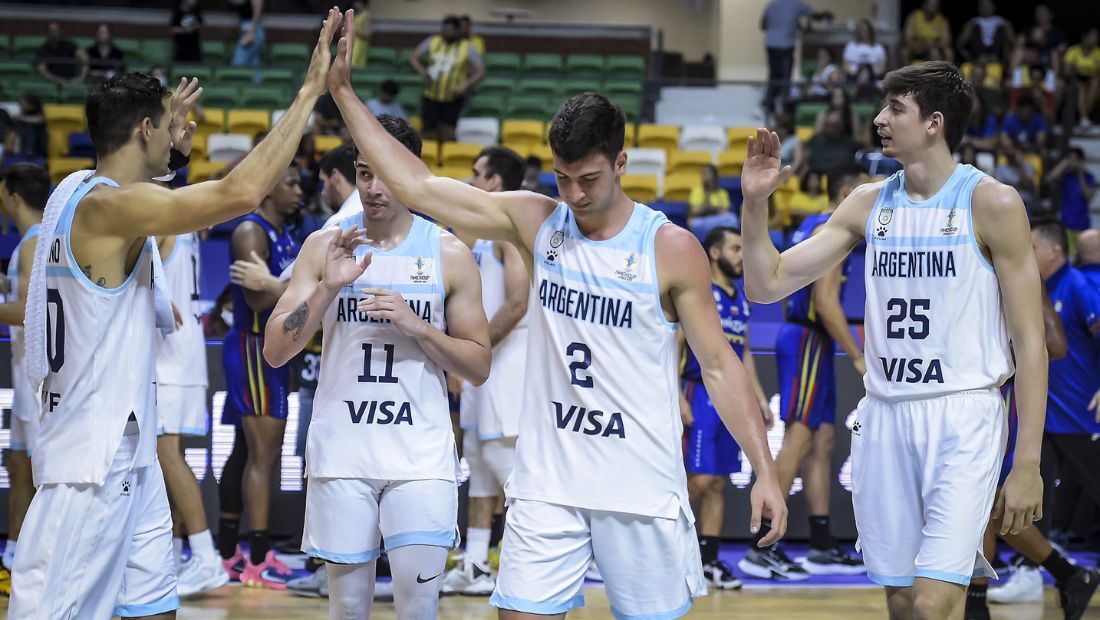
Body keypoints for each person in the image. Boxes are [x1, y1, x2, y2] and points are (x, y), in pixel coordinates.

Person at [327, 13, 788, 618]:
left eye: (589, 180)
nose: (573, 195)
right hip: (548, 484)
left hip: (639, 486)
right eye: (562, 178)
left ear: (621, 164)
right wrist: (341, 91)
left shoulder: (668, 247)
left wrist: (765, 470)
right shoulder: (536, 219)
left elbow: (721, 368)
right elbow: (418, 185)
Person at [8, 9, 343, 617]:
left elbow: (156, 198)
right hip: (89, 462)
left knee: (154, 606)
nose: (177, 133)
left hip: (124, 447)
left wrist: (173, 159)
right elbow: (240, 193)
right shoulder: (107, 211)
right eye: (168, 126)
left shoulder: (76, 195)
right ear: (143, 129)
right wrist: (309, 92)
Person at [740, 61, 1046, 620]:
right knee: (904, 604)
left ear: (933, 123)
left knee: (934, 603)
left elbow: (1029, 341)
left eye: (894, 109)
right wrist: (755, 204)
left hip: (964, 415)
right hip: (884, 415)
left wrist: (1027, 461)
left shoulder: (992, 203)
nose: (879, 119)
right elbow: (767, 284)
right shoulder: (867, 203)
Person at [262, 113, 492, 618]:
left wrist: (420, 326)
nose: (372, 186)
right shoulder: (325, 245)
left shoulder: (448, 253)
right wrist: (327, 288)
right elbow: (276, 350)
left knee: (419, 607)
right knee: (347, 610)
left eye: (384, 172)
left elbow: (478, 366)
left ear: (410, 171)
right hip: (343, 452)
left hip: (420, 455)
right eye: (364, 173)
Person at [743, 173, 866, 581]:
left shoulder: (816, 225)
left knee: (823, 440)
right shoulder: (833, 228)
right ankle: (759, 546)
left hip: (806, 337)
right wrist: (858, 356)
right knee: (798, 438)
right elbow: (827, 303)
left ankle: (821, 543)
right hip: (806, 339)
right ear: (847, 194)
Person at [963, 260, 1098, 620]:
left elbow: (1053, 343)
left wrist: (1003, 350)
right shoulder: (965, 259)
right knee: (984, 504)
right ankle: (1069, 575)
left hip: (995, 397)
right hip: (962, 396)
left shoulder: (1015, 266)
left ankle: (977, 605)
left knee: (982, 500)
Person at [443, 145, 529, 596]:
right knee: (476, 461)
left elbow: (517, 302)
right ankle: (475, 563)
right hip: (484, 362)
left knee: (507, 466)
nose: (471, 180)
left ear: (496, 181)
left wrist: (472, 350)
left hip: (508, 360)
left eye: (477, 173)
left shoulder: (509, 228)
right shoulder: (476, 230)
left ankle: (525, 565)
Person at [218, 164, 303, 589]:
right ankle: (257, 559)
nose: (298, 190)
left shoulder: (282, 233)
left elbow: (268, 287)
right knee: (263, 456)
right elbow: (254, 297)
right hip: (254, 347)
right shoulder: (250, 232)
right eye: (290, 182)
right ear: (268, 189)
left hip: (269, 349)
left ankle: (230, 551)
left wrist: (283, 285)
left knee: (243, 452)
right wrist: (310, 287)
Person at [682, 226, 773, 591]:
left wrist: (759, 398)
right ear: (715, 253)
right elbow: (675, 342)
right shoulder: (701, 294)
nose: (741, 255)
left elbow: (744, 352)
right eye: (735, 248)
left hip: (729, 398)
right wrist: (675, 394)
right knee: (699, 480)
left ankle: (708, 560)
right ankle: (664, 547)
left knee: (718, 484)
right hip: (699, 391)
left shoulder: (741, 298)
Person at [154, 227, 227, 598]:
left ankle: (204, 556)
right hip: (185, 356)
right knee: (171, 458)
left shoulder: (159, 222)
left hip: (167, 360)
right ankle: (173, 554)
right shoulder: (183, 227)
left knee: (166, 456)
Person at [0, 163, 47, 596]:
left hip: (37, 383)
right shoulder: (26, 244)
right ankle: (12, 555)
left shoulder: (35, 244)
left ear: (13, 196)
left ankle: (36, 565)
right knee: (16, 467)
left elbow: (28, 313)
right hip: (21, 378)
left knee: (35, 475)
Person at [410, 15, 485, 143]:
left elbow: (481, 71)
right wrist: (423, 72)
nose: (445, 32)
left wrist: (465, 85)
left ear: (457, 30)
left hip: (453, 98)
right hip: (431, 95)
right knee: (428, 131)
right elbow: (414, 58)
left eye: (449, 30)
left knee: (448, 132)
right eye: (443, 29)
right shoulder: (432, 41)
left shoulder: (468, 47)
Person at [759, 0, 827, 116]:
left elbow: (763, 25)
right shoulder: (797, 4)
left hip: (771, 44)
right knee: (785, 76)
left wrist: (780, 24)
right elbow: (815, 16)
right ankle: (782, 107)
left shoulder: (772, 4)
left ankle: (769, 105)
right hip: (786, 45)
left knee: (774, 74)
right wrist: (825, 14)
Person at [1045, 148, 1096, 254]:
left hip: (1082, 224)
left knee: (1082, 256)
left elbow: (1088, 196)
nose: (1073, 162)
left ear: (1081, 161)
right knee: (1066, 254)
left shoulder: (1089, 177)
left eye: (1075, 159)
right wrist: (1065, 162)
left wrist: (1080, 173)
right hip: (1066, 223)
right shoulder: (1066, 175)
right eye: (1071, 159)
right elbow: (1049, 179)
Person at [957, 0, 1014, 65]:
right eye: (983, 5)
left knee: (1000, 27)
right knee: (976, 26)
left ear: (994, 7)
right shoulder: (972, 22)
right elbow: (960, 44)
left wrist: (1008, 53)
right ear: (979, 8)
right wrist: (968, 56)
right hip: (979, 52)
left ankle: (994, 56)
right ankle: (980, 56)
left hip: (996, 51)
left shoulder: (1003, 22)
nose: (986, 8)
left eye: (988, 5)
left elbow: (1013, 41)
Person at [1064, 28, 1100, 126]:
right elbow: (1067, 71)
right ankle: (1084, 118)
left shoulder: (1098, 53)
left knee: (1095, 84)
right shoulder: (1073, 50)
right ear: (1085, 37)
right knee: (1080, 88)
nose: (1096, 39)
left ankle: (1083, 117)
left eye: (1096, 37)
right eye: (1093, 36)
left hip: (1091, 80)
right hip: (1075, 80)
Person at [688, 164, 736, 238]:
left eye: (708, 174)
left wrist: (709, 208)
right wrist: (712, 207)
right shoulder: (697, 191)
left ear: (715, 176)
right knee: (694, 223)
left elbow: (725, 211)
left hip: (718, 220)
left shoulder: (722, 193)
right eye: (704, 174)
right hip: (702, 221)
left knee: (732, 218)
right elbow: (694, 211)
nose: (706, 177)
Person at [35, 22, 87, 86]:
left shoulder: (68, 45)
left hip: (71, 79)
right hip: (52, 82)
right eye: (51, 31)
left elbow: (84, 58)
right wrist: (57, 81)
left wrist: (82, 77)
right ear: (47, 33)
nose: (54, 33)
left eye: (56, 30)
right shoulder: (43, 49)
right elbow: (42, 70)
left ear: (60, 31)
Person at [229, 0, 264, 67]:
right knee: (253, 63)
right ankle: (256, 77)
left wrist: (252, 31)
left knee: (237, 63)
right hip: (246, 28)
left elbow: (258, 13)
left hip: (252, 30)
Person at [351, 0, 371, 68]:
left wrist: (353, 29)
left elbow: (367, 33)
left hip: (360, 45)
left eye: (356, 2)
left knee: (355, 67)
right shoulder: (356, 14)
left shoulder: (365, 16)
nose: (354, 4)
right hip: (353, 43)